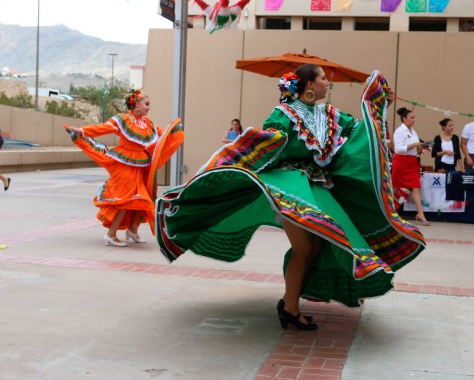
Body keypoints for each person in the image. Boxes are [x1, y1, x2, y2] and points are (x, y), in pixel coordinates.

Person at [155, 64, 425, 330]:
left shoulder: (329, 114)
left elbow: (358, 133)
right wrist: (256, 146)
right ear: (309, 85)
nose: (326, 82)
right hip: (291, 187)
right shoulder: (283, 113)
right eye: (322, 78)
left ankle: (289, 301)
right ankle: (291, 310)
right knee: (305, 248)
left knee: (319, 246)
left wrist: (377, 106)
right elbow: (271, 141)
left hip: (319, 187)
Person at [64, 89, 184, 246]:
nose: (149, 108)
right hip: (124, 164)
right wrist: (82, 131)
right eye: (147, 104)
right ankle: (111, 235)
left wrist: (174, 132)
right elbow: (103, 128)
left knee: (143, 198)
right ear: (136, 104)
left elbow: (162, 137)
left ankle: (132, 230)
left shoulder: (148, 124)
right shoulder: (123, 119)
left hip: (140, 165)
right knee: (126, 199)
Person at [392, 107, 430, 225]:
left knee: (416, 187)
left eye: (414, 117)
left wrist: (421, 148)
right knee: (394, 187)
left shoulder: (413, 131)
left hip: (412, 162)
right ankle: (389, 211)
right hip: (401, 162)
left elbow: (414, 148)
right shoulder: (399, 131)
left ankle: (421, 214)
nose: (414, 120)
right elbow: (398, 149)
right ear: (404, 119)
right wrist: (414, 144)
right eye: (411, 118)